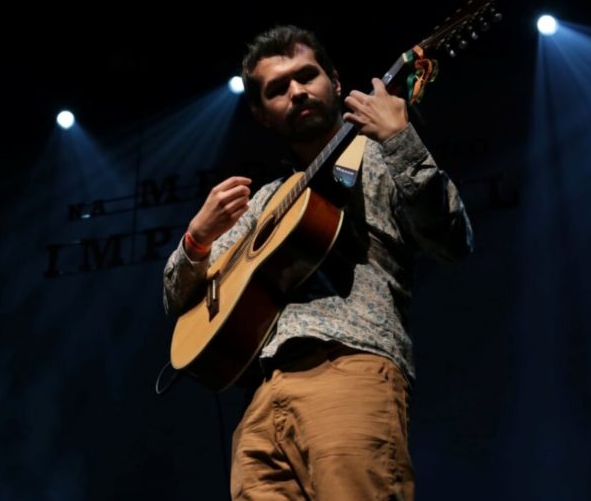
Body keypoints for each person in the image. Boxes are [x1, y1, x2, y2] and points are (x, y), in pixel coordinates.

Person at [163, 25, 473, 500]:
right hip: (261, 399)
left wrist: (401, 138)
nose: (296, 91)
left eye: (307, 76)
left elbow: (453, 240)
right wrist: (197, 240)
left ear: (334, 79)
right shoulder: (261, 203)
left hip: (348, 366)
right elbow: (178, 301)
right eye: (277, 88)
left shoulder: (382, 155)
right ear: (260, 114)